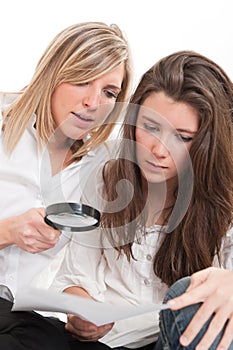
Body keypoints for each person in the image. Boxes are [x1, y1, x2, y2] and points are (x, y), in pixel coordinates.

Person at [51, 50, 233, 349]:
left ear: (207, 143)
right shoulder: (106, 175)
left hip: (178, 337)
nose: (158, 150)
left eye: (183, 137)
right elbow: (76, 275)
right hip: (111, 341)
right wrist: (82, 309)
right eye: (150, 127)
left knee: (189, 297)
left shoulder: (224, 203)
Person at [0, 21, 132, 350]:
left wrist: (84, 310)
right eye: (82, 80)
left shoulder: (105, 169)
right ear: (54, 74)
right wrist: (10, 231)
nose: (93, 102)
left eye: (109, 92)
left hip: (39, 323)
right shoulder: (6, 131)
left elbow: (76, 271)